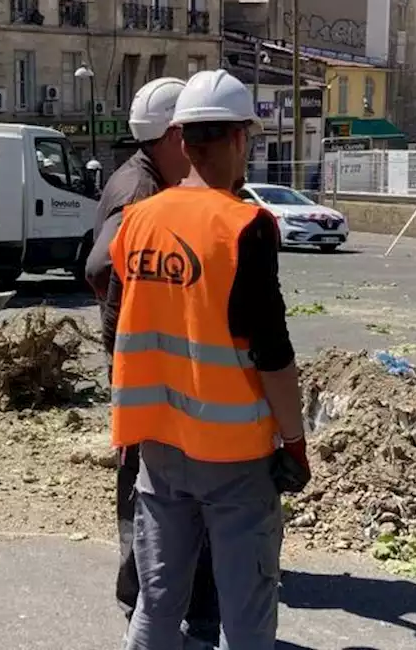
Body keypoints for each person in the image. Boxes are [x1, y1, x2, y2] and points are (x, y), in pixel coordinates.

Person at [105, 69, 307, 650]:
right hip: (234, 452)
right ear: (242, 137)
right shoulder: (245, 226)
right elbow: (272, 352)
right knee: (246, 607)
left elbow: (126, 314)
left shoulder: (138, 221)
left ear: (181, 137)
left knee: (158, 600)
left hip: (158, 445)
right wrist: (293, 443)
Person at [83, 77, 222, 650]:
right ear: (172, 134)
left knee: (153, 492)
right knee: (148, 492)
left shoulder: (138, 176)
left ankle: (151, 605)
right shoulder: (141, 193)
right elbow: (98, 269)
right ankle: (142, 604)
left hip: (148, 371)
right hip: (150, 377)